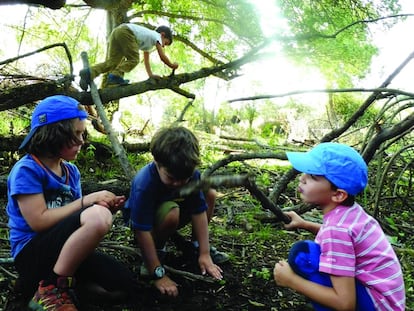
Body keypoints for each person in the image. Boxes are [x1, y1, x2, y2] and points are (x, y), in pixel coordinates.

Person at [7, 95, 139, 310]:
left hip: (64, 253)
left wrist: (105, 210)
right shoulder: (27, 170)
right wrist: (89, 203)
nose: (81, 141)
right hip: (32, 255)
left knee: (124, 285)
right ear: (53, 134)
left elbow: (76, 221)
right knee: (96, 215)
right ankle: (51, 289)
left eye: (82, 133)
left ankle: (66, 286)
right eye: (75, 134)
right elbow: (38, 222)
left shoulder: (71, 172)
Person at [273, 142, 406, 311]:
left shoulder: (336, 230)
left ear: (338, 194)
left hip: (376, 305)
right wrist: (305, 224)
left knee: (303, 256)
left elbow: (345, 304)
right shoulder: (351, 213)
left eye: (313, 176)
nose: (302, 178)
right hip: (386, 301)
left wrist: (292, 281)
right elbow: (346, 241)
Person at [124, 126, 229, 297]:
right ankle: (155, 254)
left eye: (184, 179)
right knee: (172, 212)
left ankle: (195, 248)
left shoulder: (192, 175)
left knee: (209, 192)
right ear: (157, 162)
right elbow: (141, 230)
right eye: (172, 178)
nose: (178, 183)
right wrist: (157, 273)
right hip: (146, 224)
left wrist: (205, 252)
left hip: (174, 210)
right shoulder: (145, 183)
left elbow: (198, 211)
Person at [79, 24, 179, 90]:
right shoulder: (156, 36)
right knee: (134, 59)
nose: (163, 46)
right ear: (162, 35)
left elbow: (146, 61)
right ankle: (115, 76)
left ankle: (88, 73)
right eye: (165, 43)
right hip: (127, 32)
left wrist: (150, 75)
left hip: (117, 32)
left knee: (112, 62)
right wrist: (172, 65)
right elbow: (162, 56)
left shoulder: (149, 42)